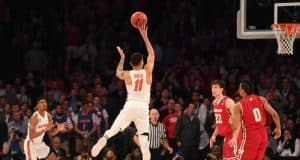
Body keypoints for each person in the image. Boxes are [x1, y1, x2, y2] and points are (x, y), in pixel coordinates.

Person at [91, 24, 154, 160]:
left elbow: (117, 72)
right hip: (143, 107)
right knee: (143, 136)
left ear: (131, 64)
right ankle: (146, 154)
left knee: (114, 129)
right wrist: (145, 37)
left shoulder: (128, 74)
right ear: (142, 63)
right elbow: (151, 55)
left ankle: (104, 138)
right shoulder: (147, 72)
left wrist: (122, 59)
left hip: (130, 105)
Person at [231, 81, 281, 160]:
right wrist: (278, 128)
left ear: (243, 90)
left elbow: (235, 126)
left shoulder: (238, 105)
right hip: (263, 135)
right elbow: (274, 114)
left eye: (239, 88)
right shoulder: (262, 99)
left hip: (250, 136)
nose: (238, 89)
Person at [209, 80, 244, 159]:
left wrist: (235, 137)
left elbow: (239, 120)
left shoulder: (228, 101)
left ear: (221, 89)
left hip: (234, 135)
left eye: (216, 87)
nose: (213, 90)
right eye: (212, 87)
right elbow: (219, 123)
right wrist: (213, 136)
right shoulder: (214, 103)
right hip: (227, 136)